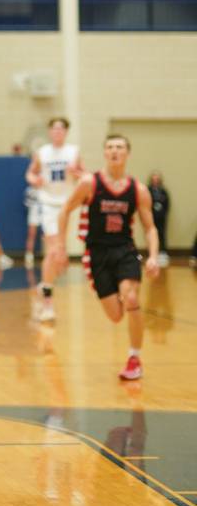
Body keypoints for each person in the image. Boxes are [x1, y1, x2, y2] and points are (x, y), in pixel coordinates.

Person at [51, 133, 159, 381]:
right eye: (110, 147)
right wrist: (59, 246)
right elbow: (65, 210)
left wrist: (153, 255)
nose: (115, 151)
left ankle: (134, 358)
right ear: (105, 153)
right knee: (115, 315)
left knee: (131, 298)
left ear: (127, 153)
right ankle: (127, 316)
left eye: (120, 147)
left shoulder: (138, 189)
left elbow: (150, 227)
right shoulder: (90, 183)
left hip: (125, 251)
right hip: (97, 254)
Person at [25, 118, 83, 322]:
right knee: (53, 250)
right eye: (54, 128)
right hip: (48, 203)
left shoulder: (73, 152)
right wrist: (35, 180)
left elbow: (83, 175)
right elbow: (30, 174)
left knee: (59, 254)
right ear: (50, 132)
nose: (57, 131)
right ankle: (48, 302)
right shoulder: (42, 153)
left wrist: (77, 173)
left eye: (61, 128)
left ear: (66, 132)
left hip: (67, 205)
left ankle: (46, 283)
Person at [147, 172, 170, 267]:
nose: (155, 181)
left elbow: (167, 204)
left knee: (162, 234)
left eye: (157, 179)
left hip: (161, 217)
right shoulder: (147, 191)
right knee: (152, 234)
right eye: (154, 179)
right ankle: (152, 254)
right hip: (151, 217)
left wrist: (163, 213)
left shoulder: (163, 191)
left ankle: (163, 253)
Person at [23, 184, 41, 268]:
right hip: (33, 214)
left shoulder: (44, 188)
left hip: (44, 214)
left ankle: (50, 255)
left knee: (48, 235)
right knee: (31, 235)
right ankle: (29, 255)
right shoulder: (29, 190)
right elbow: (26, 203)